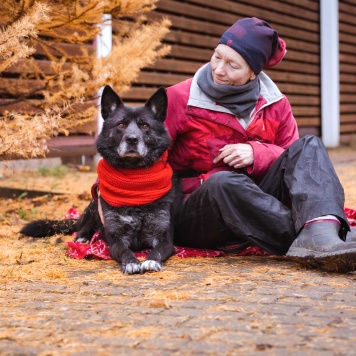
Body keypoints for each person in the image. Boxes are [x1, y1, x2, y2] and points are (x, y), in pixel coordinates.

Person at [164, 17, 356, 273]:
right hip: (196, 212)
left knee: (309, 145)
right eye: (217, 56)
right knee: (223, 182)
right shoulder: (178, 98)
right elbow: (139, 155)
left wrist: (257, 153)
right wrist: (107, 198)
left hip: (259, 206)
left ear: (254, 72)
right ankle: (327, 239)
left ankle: (320, 231)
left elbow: (294, 162)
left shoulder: (276, 104)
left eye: (233, 65)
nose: (219, 69)